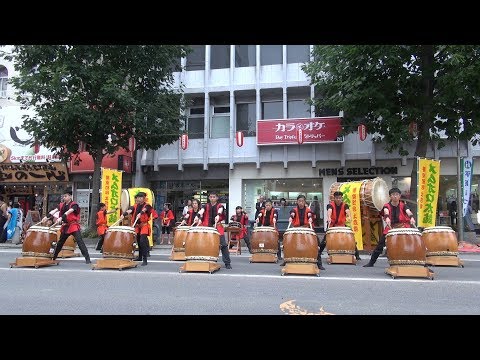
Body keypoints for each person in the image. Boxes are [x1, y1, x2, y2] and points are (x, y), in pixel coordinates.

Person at [363, 187, 416, 267]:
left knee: (412, 243)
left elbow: (408, 212)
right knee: (380, 245)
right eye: (393, 195)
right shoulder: (386, 205)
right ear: (390, 196)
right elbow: (386, 211)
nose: (395, 196)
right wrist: (387, 217)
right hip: (391, 227)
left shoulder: (403, 205)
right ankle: (371, 262)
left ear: (399, 196)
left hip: (403, 227)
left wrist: (411, 217)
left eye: (397, 195)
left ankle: (420, 261)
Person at [42, 189, 91, 264]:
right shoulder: (61, 205)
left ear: (70, 196)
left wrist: (62, 217)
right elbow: (54, 211)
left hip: (73, 225)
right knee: (60, 242)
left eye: (66, 196)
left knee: (80, 241)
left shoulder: (74, 205)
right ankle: (54, 257)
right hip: (65, 226)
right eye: (63, 196)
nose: (64, 198)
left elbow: (69, 211)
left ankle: (87, 258)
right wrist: (46, 217)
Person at [317, 191, 360, 271]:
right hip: (332, 225)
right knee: (325, 240)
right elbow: (329, 211)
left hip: (341, 225)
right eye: (337, 198)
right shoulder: (330, 205)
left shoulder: (345, 205)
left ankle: (356, 255)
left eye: (340, 198)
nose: (338, 199)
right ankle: (318, 253)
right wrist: (329, 217)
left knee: (351, 239)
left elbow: (347, 211)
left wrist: (349, 216)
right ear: (334, 198)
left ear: (341, 198)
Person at [194, 191, 232, 269]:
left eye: (214, 197)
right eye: (211, 197)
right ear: (209, 198)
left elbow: (220, 210)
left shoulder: (220, 206)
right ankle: (206, 260)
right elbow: (201, 211)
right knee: (205, 245)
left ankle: (227, 263)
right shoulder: (205, 206)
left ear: (217, 198)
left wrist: (218, 215)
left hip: (217, 227)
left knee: (223, 245)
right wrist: (197, 216)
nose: (212, 198)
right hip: (207, 228)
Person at [120, 191, 153, 266]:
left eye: (140, 197)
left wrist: (140, 213)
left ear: (144, 198)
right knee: (138, 241)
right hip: (137, 226)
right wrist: (124, 214)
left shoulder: (147, 205)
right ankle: (140, 257)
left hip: (144, 225)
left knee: (142, 241)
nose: (139, 198)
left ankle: (145, 259)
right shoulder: (135, 206)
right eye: (138, 197)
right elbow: (130, 210)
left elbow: (145, 210)